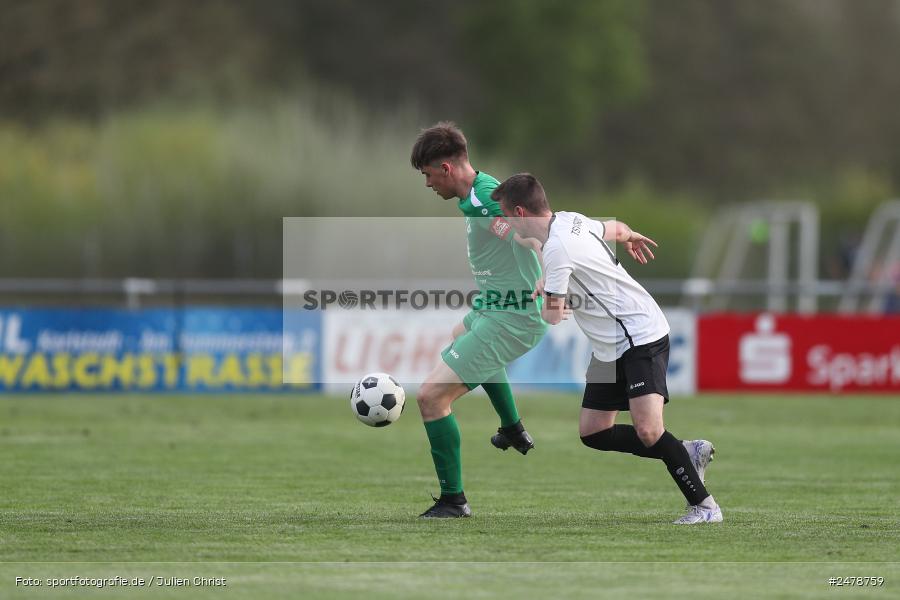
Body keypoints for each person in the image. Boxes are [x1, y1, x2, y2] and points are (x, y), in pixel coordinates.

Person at [494, 173, 723, 525]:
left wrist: (542, 299)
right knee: (594, 431)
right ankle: (684, 451)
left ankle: (705, 507)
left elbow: (552, 316)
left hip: (638, 335)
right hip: (609, 347)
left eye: (506, 215)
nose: (506, 223)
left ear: (521, 213)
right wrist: (629, 236)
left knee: (649, 430)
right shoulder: (570, 220)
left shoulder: (556, 249)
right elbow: (614, 228)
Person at [409, 123, 548, 518]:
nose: (427, 184)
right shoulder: (479, 193)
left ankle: (453, 501)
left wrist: (549, 275)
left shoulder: (486, 199)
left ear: (446, 169)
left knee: (431, 397)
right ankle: (512, 426)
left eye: (428, 175)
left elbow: (532, 235)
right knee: (459, 334)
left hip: (513, 315)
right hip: (492, 307)